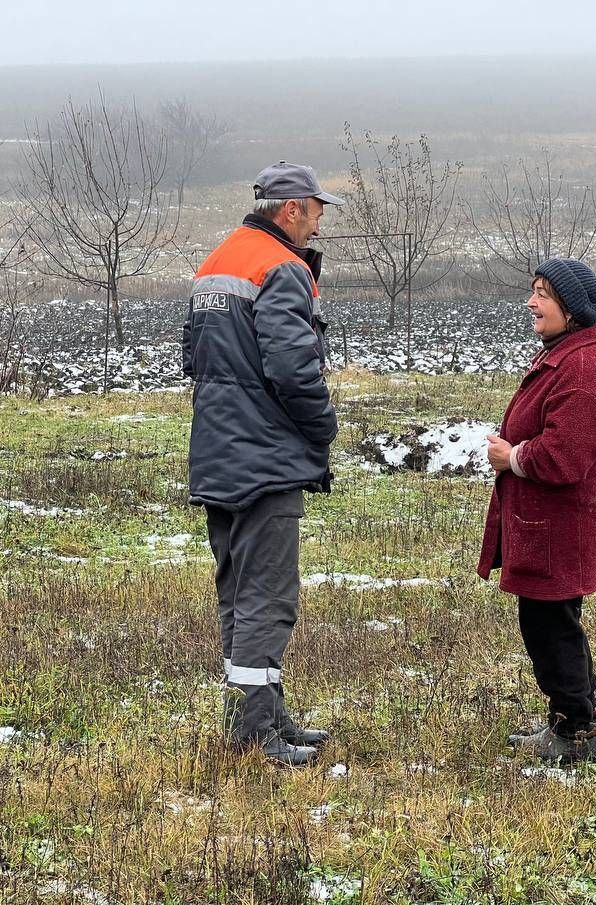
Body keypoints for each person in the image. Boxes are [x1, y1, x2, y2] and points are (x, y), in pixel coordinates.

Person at [182, 162, 343, 767]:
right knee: (269, 595)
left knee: (238, 591)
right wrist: (321, 427)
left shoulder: (219, 260)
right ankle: (257, 734)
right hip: (266, 458)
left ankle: (264, 714)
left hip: (218, 451)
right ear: (291, 209)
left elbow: (193, 357)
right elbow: (292, 366)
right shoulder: (284, 268)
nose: (321, 218)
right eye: (317, 207)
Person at [478, 258, 596, 762]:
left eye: (543, 294)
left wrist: (510, 456)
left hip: (559, 527)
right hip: (549, 526)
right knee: (553, 623)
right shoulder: (564, 356)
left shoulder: (579, 369)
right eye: (533, 291)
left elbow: (565, 455)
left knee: (550, 626)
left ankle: (576, 732)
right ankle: (572, 718)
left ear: (571, 310)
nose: (532, 302)